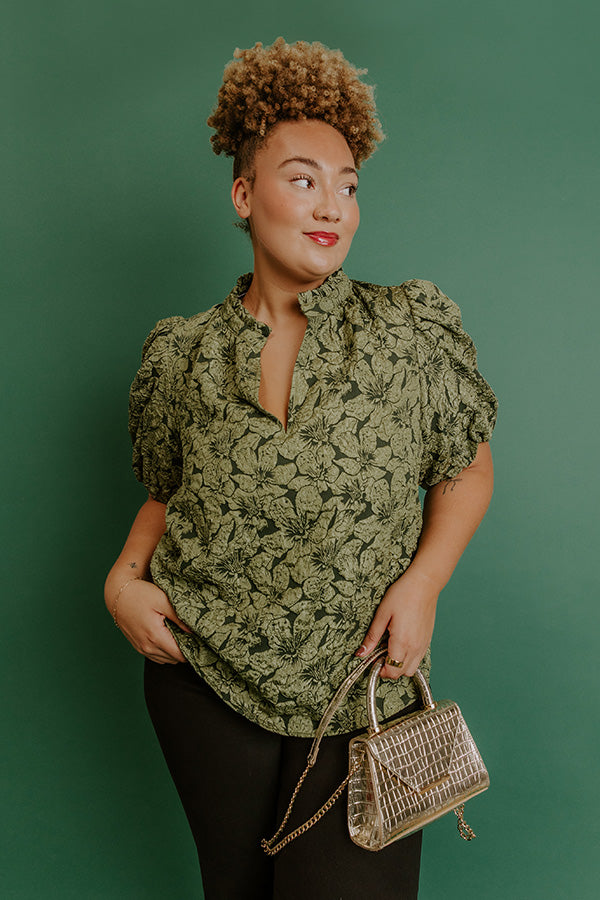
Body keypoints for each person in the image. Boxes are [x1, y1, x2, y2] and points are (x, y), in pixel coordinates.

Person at [105, 37, 498, 900]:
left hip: (362, 690)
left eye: (348, 185)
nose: (333, 207)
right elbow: (167, 494)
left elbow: (467, 470)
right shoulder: (184, 355)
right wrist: (122, 582)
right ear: (244, 195)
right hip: (205, 683)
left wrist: (423, 584)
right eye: (303, 179)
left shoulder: (407, 332)